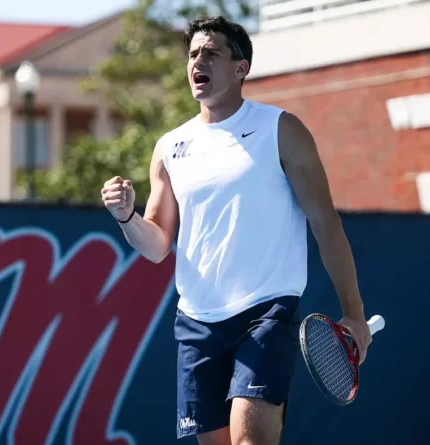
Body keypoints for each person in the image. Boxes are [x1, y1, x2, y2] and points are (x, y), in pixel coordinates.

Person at [101, 16, 372, 445]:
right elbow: (155, 245)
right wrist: (126, 217)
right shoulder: (170, 147)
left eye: (211, 53)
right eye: (193, 54)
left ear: (240, 68)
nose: (198, 61)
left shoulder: (282, 129)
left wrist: (353, 312)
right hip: (197, 323)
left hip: (266, 312)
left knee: (251, 439)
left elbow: (325, 223)